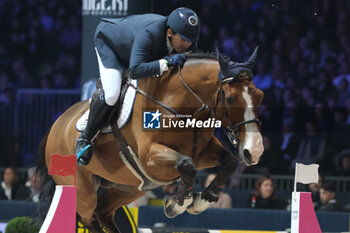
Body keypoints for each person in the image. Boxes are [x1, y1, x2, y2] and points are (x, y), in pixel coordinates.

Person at [75, 7, 201, 166]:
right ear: (170, 33)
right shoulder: (150, 34)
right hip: (110, 43)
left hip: (137, 50)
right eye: (184, 39)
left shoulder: (186, 38)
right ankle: (85, 138)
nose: (188, 44)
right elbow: (135, 71)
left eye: (191, 40)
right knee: (112, 95)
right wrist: (166, 62)